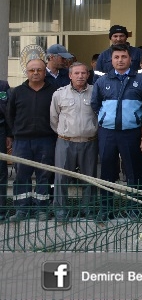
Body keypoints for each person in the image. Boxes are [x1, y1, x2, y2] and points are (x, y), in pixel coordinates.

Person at [91, 45, 142, 220]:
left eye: (124, 57)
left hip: (132, 132)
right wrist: (105, 118)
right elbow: (95, 104)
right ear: (111, 60)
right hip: (107, 133)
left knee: (134, 172)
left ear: (130, 59)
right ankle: (106, 209)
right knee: (107, 172)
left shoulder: (141, 81)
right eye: (116, 57)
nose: (120, 60)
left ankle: (135, 208)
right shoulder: (102, 81)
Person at [7, 58, 58, 221]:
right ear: (26, 72)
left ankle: (41, 209)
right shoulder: (17, 92)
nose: (35, 73)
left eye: (39, 70)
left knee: (44, 176)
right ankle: (22, 210)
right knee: (21, 176)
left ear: (44, 72)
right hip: (22, 141)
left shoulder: (54, 91)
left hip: (46, 140)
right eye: (32, 70)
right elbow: (10, 115)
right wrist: (14, 134)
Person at [50, 62, 98, 221]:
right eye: (76, 73)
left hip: (89, 142)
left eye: (83, 73)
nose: (80, 76)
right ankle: (60, 211)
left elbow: (99, 115)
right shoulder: (59, 94)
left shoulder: (95, 92)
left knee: (90, 178)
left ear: (88, 75)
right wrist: (65, 132)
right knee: (61, 178)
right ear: (70, 75)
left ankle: (88, 209)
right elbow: (54, 118)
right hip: (65, 142)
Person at [0, 77, 9, 220]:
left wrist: (9, 134)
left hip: (0, 131)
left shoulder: (2, 85)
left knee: (0, 171)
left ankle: (1, 210)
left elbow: (7, 111)